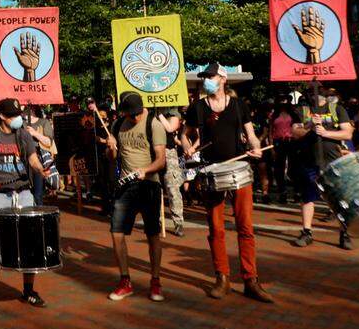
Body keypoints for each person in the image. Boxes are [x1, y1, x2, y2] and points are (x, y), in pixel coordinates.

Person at [182, 63, 273, 303]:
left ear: (223, 78)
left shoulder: (239, 105)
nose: (206, 81)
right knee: (216, 228)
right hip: (212, 171)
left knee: (245, 227)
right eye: (205, 78)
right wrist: (188, 148)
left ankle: (250, 279)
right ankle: (222, 277)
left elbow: (251, 134)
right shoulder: (198, 108)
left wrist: (255, 149)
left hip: (239, 169)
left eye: (210, 76)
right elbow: (184, 133)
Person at [0, 98, 51, 312]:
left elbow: (32, 158)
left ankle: (28, 290)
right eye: (13, 115)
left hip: (23, 192)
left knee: (30, 244)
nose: (17, 118)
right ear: (2, 116)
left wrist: (41, 169)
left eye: (18, 114)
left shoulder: (22, 134)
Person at [104, 93, 167, 302]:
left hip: (149, 184)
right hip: (125, 185)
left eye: (137, 114)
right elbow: (112, 158)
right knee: (117, 232)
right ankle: (125, 281)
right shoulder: (117, 125)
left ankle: (155, 281)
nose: (135, 118)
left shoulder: (153, 124)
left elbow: (161, 161)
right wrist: (110, 148)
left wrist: (145, 170)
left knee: (153, 234)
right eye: (131, 115)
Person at [290, 91, 353, 249]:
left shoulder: (337, 109)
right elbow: (295, 132)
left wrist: (326, 133)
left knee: (339, 198)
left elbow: (348, 133)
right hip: (309, 160)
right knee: (307, 196)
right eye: (312, 90)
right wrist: (311, 126)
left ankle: (344, 233)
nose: (317, 93)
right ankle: (307, 232)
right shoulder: (302, 110)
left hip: (334, 161)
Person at [157, 108, 186, 237]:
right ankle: (156, 221)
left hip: (168, 152)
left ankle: (178, 222)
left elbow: (170, 128)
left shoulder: (173, 112)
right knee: (155, 189)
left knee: (173, 189)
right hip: (153, 152)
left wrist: (159, 115)